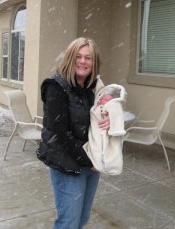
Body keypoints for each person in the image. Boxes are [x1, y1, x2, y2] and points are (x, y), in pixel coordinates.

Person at [37, 37, 109, 229]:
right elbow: (61, 132)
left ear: (94, 62)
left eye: (88, 57)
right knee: (68, 223)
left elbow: (94, 122)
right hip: (67, 164)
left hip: (90, 162)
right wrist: (89, 161)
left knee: (82, 219)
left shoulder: (91, 89)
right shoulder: (56, 86)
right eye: (78, 56)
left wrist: (107, 121)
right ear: (70, 58)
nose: (83, 62)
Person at [83, 84, 127, 175]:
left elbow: (117, 113)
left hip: (106, 132)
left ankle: (108, 164)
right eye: (102, 99)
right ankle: (98, 162)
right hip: (94, 133)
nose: (103, 100)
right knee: (97, 146)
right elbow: (93, 112)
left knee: (109, 147)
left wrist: (113, 118)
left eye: (106, 100)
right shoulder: (95, 107)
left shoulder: (112, 106)